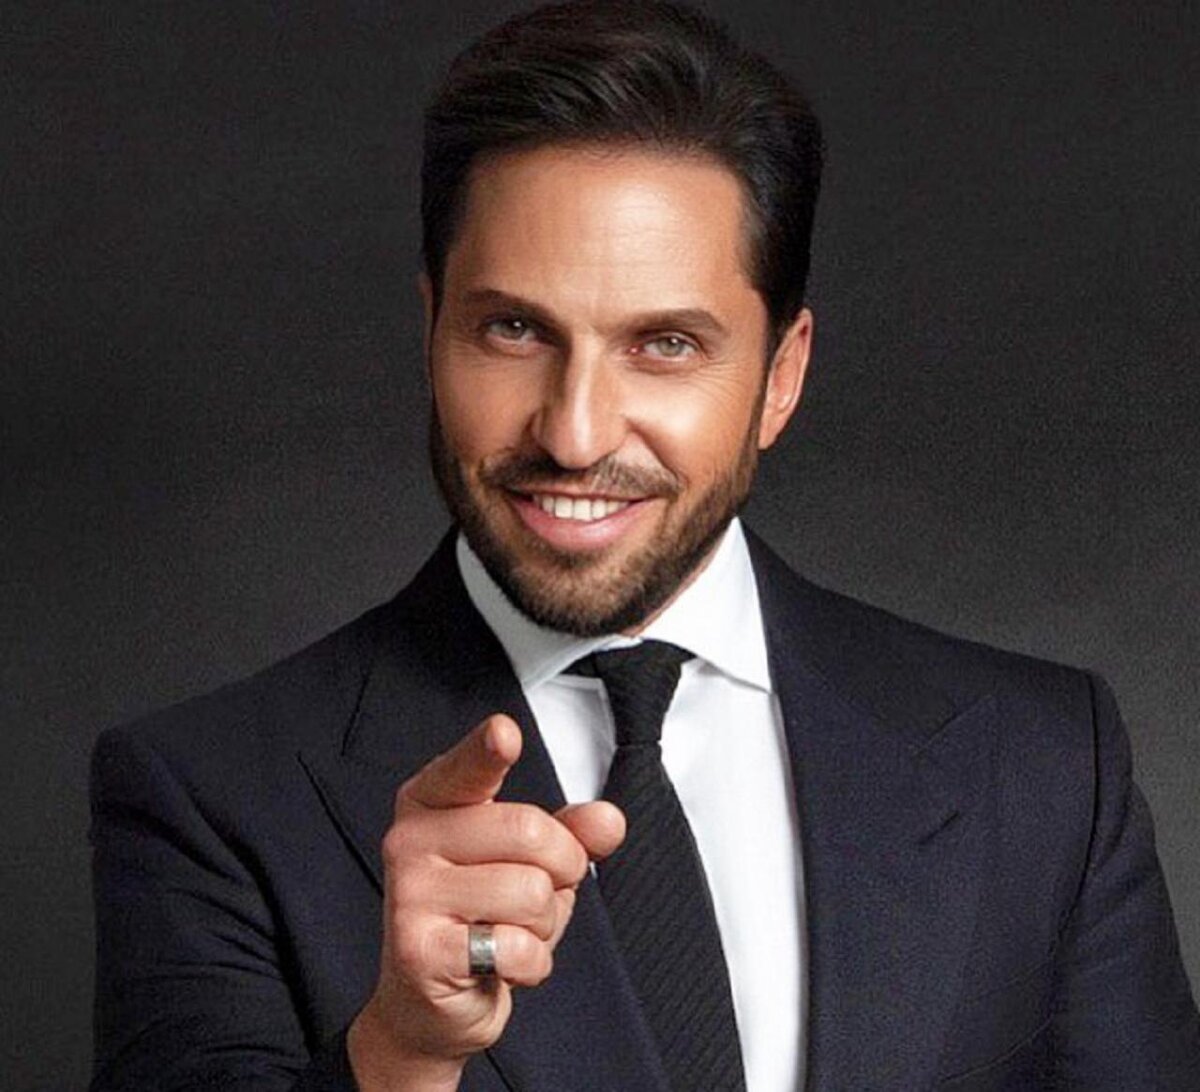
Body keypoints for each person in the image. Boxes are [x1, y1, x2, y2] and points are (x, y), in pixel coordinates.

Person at [88, 2, 1200, 1090]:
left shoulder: (1045, 764)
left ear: (781, 377)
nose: (574, 434)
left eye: (664, 344)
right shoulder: (210, 795)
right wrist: (402, 1056)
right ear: (432, 332)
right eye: (513, 330)